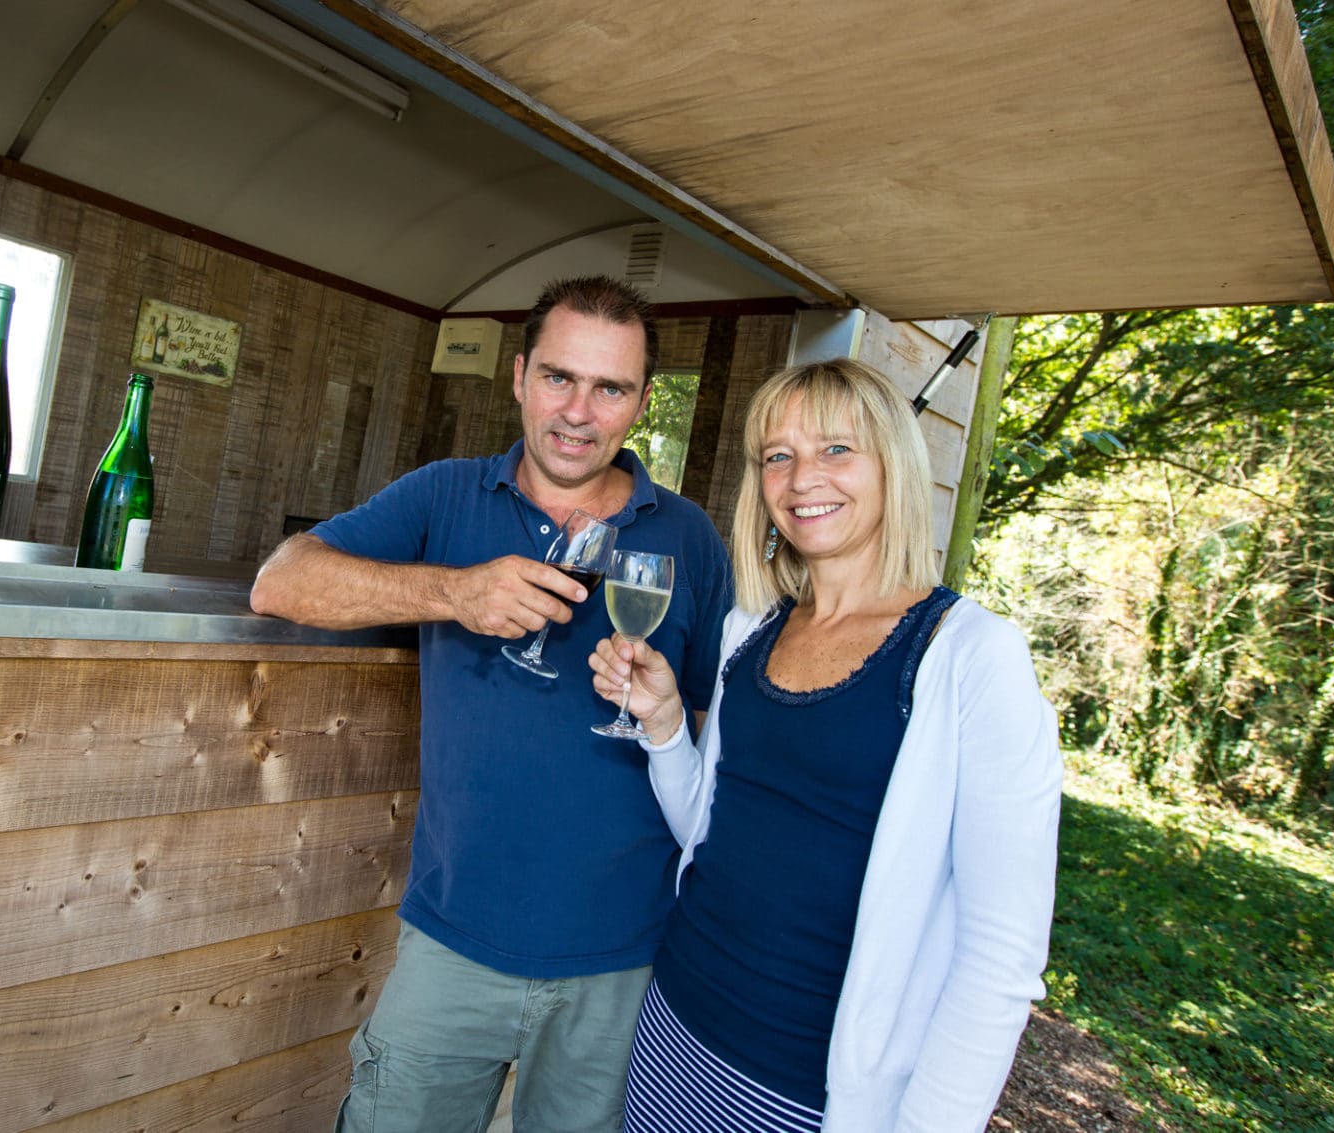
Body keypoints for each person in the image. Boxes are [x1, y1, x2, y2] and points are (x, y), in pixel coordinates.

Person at [249, 275, 733, 1133]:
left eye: (609, 388)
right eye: (559, 377)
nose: (578, 411)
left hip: (624, 962)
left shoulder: (688, 536)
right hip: (452, 940)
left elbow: (711, 735)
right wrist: (453, 592)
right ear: (519, 376)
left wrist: (661, 715)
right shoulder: (445, 494)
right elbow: (280, 582)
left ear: (640, 402)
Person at [589, 357, 1062, 1131]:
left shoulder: (972, 656)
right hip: (674, 1023)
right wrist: (668, 724)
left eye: (836, 448)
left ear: (893, 466)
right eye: (778, 455)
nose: (802, 477)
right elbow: (707, 834)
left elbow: (1000, 959)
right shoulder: (751, 627)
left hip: (807, 1091)